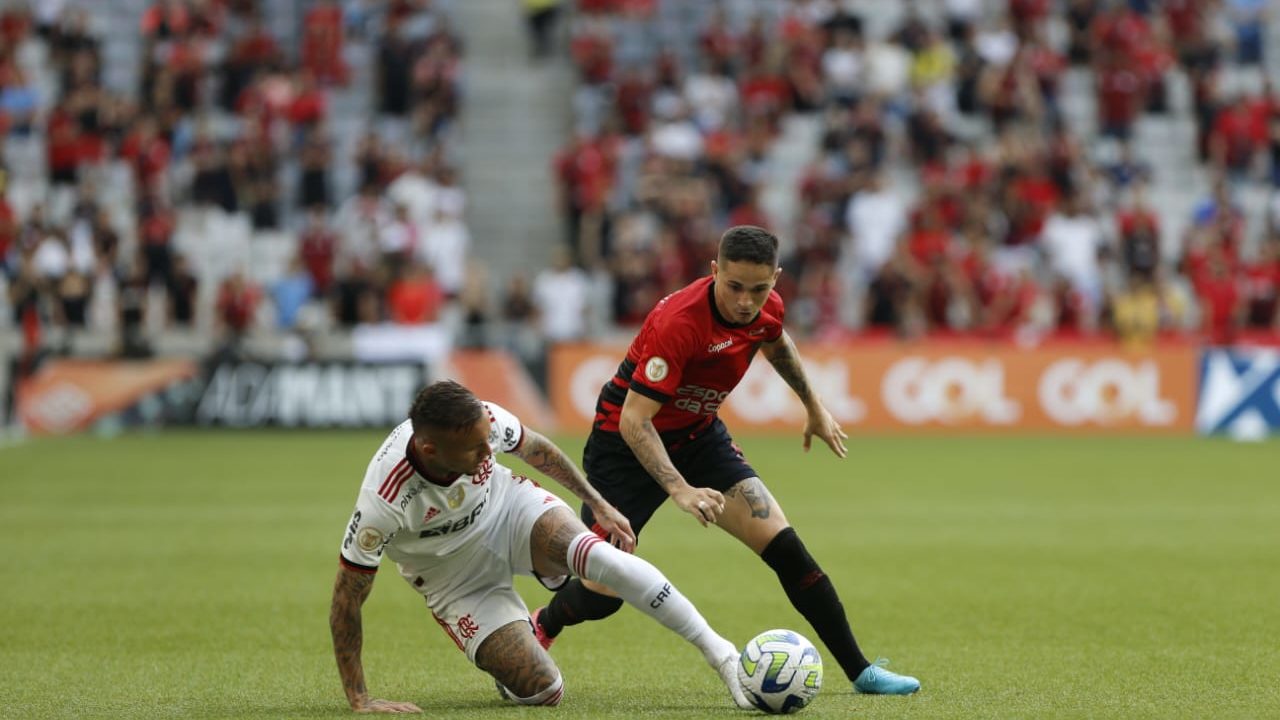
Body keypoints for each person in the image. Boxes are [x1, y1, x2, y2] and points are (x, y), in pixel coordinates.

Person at [535, 226, 921, 695]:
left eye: (759, 289)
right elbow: (636, 421)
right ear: (714, 270)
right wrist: (679, 488)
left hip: (700, 437)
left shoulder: (764, 309)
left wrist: (813, 405)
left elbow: (775, 341)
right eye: (734, 286)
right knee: (606, 593)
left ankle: (861, 672)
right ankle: (544, 621)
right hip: (624, 448)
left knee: (787, 549)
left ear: (776, 279)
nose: (745, 301)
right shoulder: (679, 322)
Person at [329, 380, 751, 713]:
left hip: (508, 511)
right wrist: (360, 698)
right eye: (475, 448)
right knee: (545, 690)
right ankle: (514, 654)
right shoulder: (383, 499)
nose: (486, 450)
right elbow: (347, 598)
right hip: (452, 578)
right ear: (429, 450)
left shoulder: (485, 421)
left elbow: (537, 450)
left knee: (602, 557)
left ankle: (723, 657)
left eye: (487, 440)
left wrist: (597, 503)